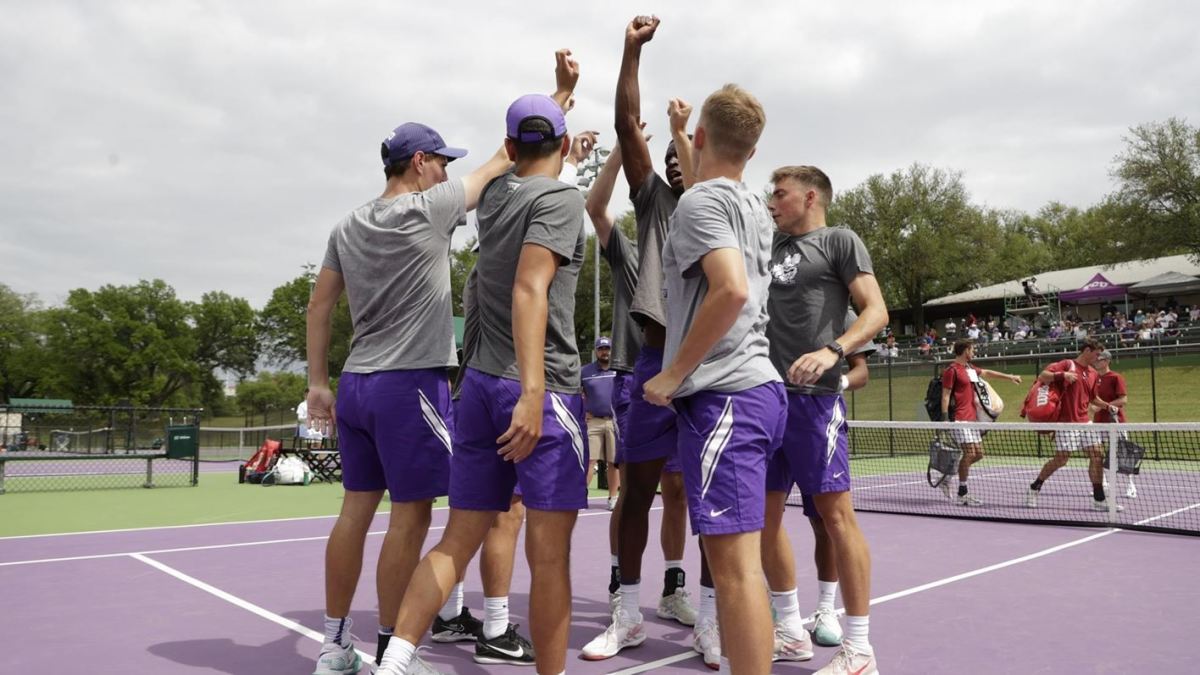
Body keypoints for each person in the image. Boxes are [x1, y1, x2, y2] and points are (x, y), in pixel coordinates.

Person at [375, 90, 587, 675]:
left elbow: (517, 148)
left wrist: (556, 91)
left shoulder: (493, 194)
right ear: (567, 145)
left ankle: (393, 661)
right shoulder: (562, 199)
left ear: (513, 146)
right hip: (536, 387)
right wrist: (534, 391)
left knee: (454, 541)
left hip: (479, 389)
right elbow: (530, 289)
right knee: (549, 560)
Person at [304, 110, 515, 673]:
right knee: (410, 519)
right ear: (420, 164)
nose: (448, 174)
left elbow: (319, 305)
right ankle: (394, 647)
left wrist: (317, 382)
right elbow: (505, 158)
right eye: (443, 163)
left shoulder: (347, 225)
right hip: (409, 383)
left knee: (353, 514)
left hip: (355, 385)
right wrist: (560, 102)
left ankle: (333, 646)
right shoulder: (431, 206)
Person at [581, 15, 714, 667]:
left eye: (685, 153)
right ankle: (628, 610)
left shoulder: (730, 210)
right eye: (667, 158)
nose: (673, 162)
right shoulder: (660, 205)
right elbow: (626, 124)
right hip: (658, 367)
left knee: (709, 495)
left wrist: (686, 131)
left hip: (716, 367)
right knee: (635, 489)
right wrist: (630, 51)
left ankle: (710, 620)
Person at [641, 81, 780, 675]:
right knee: (741, 565)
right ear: (751, 151)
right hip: (758, 390)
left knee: (736, 570)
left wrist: (672, 373)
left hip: (725, 395)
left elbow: (730, 290)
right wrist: (680, 131)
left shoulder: (698, 205)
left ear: (700, 141)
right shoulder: (750, 205)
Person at [761, 165, 888, 675]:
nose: (772, 201)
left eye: (780, 193)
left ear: (810, 196)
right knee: (764, 521)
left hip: (814, 401)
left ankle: (858, 650)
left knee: (836, 518)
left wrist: (833, 350)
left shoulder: (840, 240)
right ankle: (791, 631)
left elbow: (875, 311)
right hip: (764, 400)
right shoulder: (767, 246)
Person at [583, 133, 697, 633]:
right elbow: (595, 207)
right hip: (639, 374)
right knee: (633, 491)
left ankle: (674, 588)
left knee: (678, 491)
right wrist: (617, 152)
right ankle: (618, 585)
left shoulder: (700, 239)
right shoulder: (630, 251)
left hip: (686, 373)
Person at [1025, 339, 1123, 512]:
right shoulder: (1067, 364)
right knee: (1061, 460)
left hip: (1086, 422)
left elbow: (1093, 399)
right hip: (1066, 423)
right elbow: (1043, 376)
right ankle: (1035, 486)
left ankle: (1099, 498)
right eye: (1096, 354)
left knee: (1097, 455)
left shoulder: (1093, 373)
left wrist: (1108, 406)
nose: (1098, 358)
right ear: (1087, 351)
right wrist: (1062, 375)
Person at [937, 339, 1023, 506]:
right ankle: (962, 494)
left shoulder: (969, 369)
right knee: (969, 453)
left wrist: (1009, 376)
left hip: (972, 419)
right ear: (965, 351)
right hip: (959, 419)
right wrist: (945, 418)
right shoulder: (951, 370)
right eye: (972, 350)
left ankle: (946, 478)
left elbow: (987, 373)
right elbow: (946, 395)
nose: (974, 352)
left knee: (978, 454)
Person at [582, 337, 621, 509]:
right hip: (594, 422)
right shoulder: (585, 371)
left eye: (607, 348)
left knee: (614, 462)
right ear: (596, 351)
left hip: (615, 421)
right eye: (601, 349)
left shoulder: (619, 369)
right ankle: (581, 495)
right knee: (590, 460)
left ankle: (613, 497)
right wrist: (582, 412)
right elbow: (577, 394)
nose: (604, 352)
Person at [1093, 350, 1136, 498]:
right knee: (1096, 454)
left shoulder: (1116, 377)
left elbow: (1123, 400)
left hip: (1115, 421)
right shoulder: (1093, 378)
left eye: (1098, 360)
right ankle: (1102, 484)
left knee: (1123, 453)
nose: (1095, 362)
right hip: (1098, 423)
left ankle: (1131, 485)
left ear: (1106, 361)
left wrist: (1104, 406)